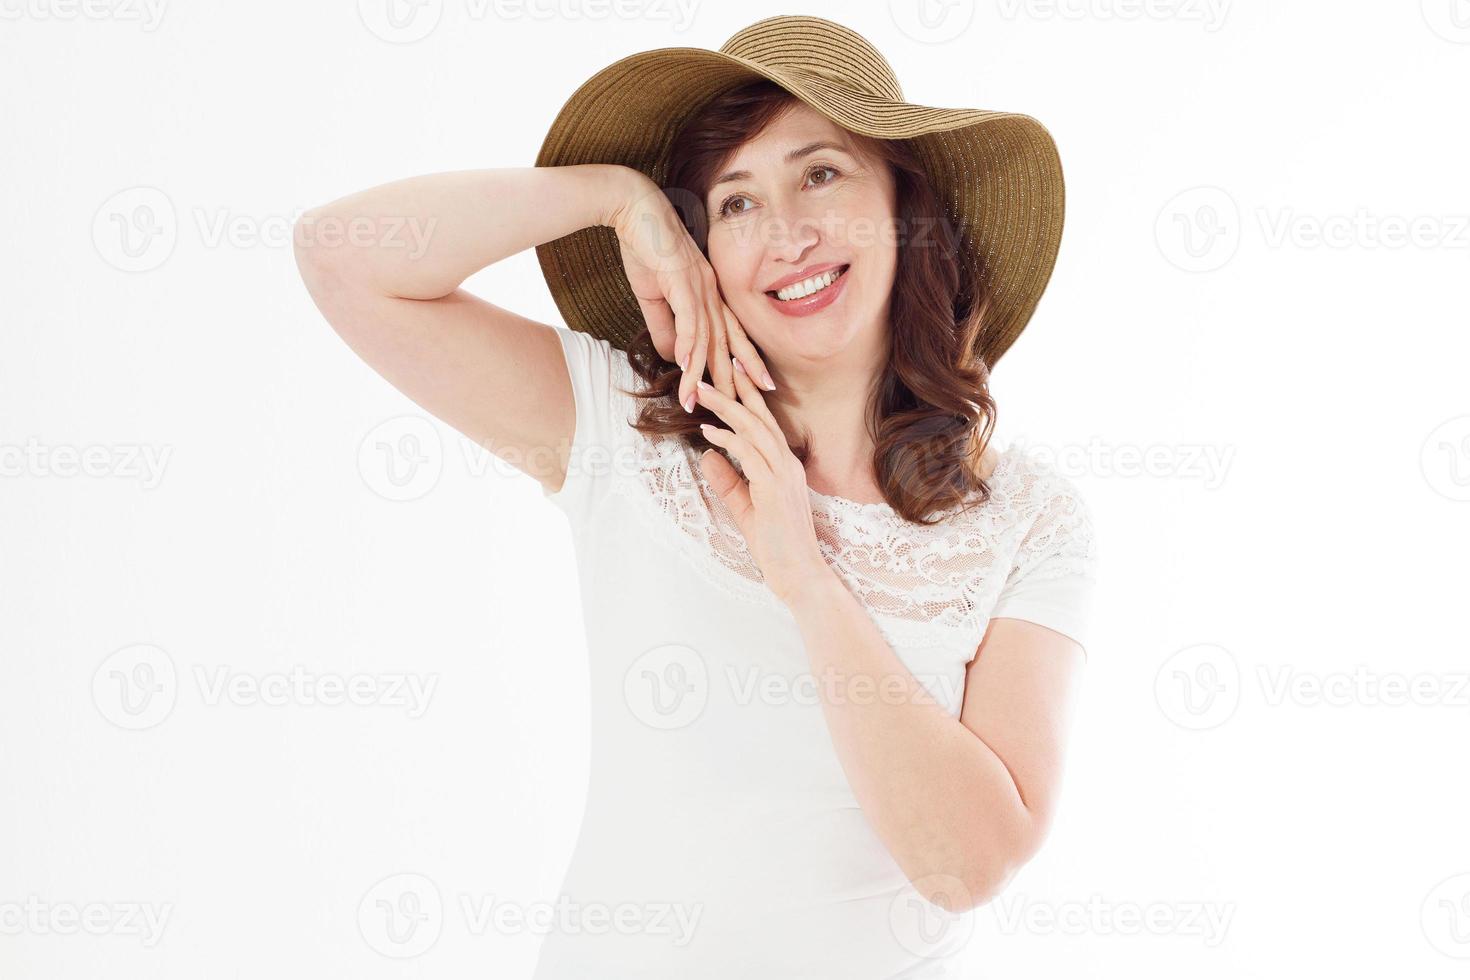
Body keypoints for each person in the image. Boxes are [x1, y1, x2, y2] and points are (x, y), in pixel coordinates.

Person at [294, 14, 1099, 979]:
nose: (787, 234)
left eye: (822, 174)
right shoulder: (620, 431)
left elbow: (964, 866)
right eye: (736, 204)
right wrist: (615, 198)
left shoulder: (1026, 519)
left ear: (903, 205)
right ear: (700, 249)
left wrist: (803, 575)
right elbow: (342, 256)